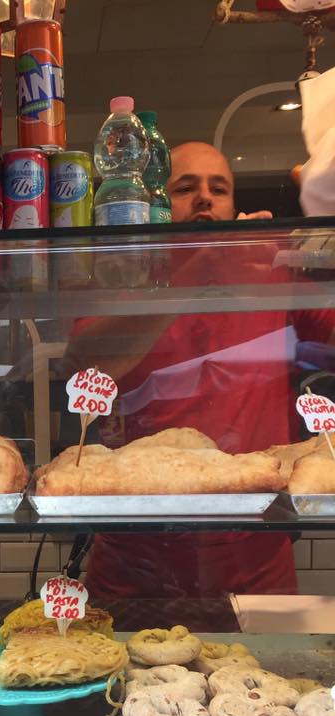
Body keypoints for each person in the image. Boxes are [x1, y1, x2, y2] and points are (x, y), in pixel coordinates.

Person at [68, 141, 335, 598]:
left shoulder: (273, 277)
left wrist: (315, 246)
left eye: (219, 188)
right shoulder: (128, 277)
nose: (205, 198)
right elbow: (90, 361)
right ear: (156, 205)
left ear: (233, 205)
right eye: (185, 188)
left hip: (255, 554)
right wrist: (201, 266)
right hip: (135, 556)